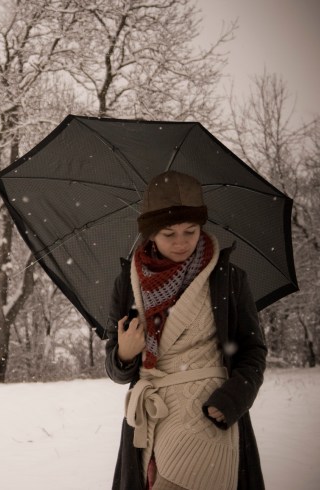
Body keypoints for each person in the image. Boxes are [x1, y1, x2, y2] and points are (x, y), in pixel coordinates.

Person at [104, 170, 266, 490]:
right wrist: (124, 354)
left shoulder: (228, 278)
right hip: (151, 418)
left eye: (190, 231)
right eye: (169, 233)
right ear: (151, 233)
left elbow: (253, 350)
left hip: (209, 412)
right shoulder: (128, 283)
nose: (181, 242)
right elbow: (116, 370)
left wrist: (234, 397)